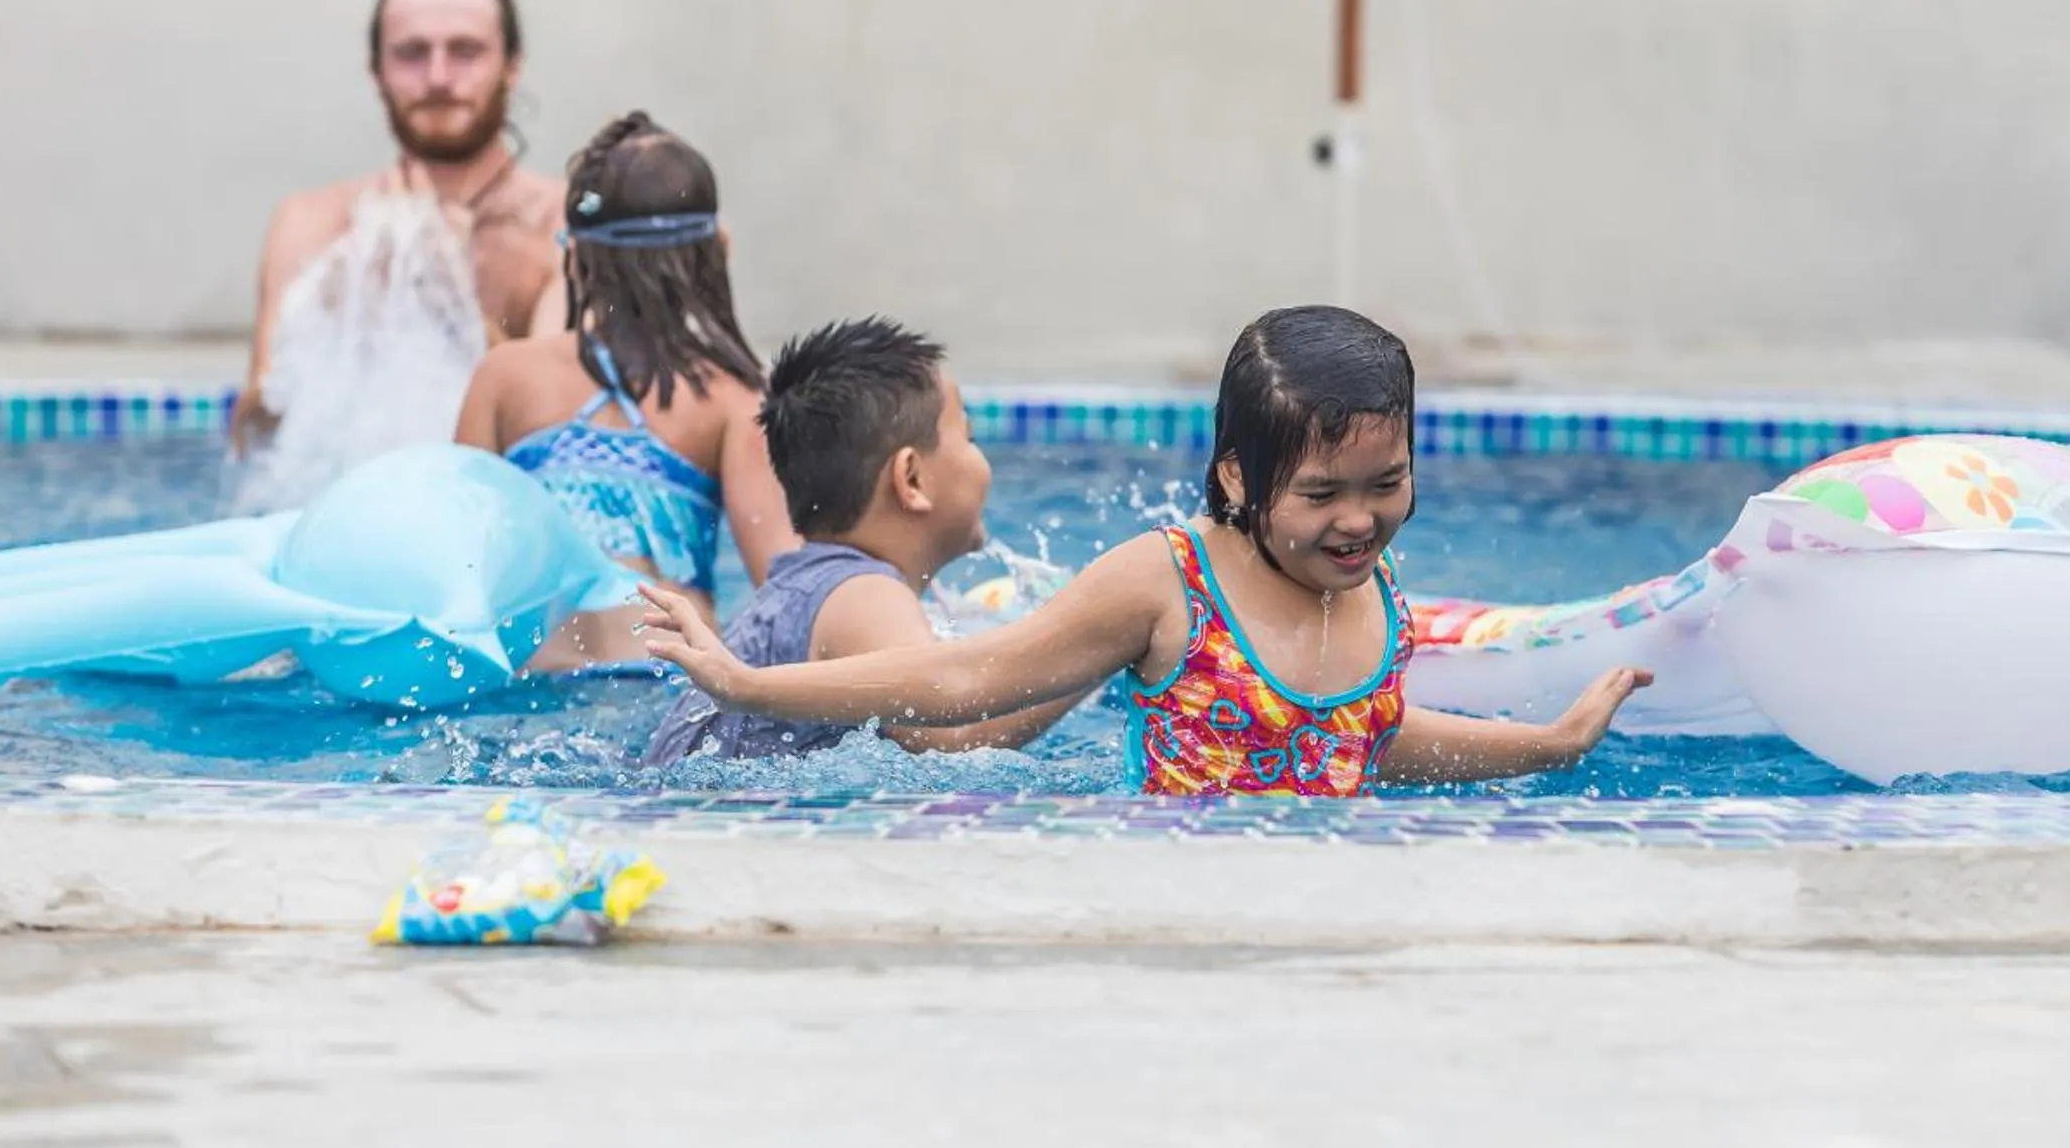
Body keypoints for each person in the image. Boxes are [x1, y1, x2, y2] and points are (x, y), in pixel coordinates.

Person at [640, 306, 1651, 794]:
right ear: (1235, 483)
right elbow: (960, 678)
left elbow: (1370, 736)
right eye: (1320, 493)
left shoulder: (1370, 583)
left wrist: (1547, 743)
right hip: (1175, 904)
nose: (1357, 518)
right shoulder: (1166, 579)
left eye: (1384, 485)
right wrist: (745, 686)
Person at [642, 317, 1090, 766]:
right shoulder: (865, 594)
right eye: (969, 438)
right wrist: (1100, 642)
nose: (981, 458)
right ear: (911, 478)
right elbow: (954, 733)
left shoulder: (815, 586)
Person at [229, 0, 565, 510]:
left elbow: (560, 437)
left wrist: (445, 288)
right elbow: (258, 439)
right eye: (412, 53)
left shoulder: (562, 227)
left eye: (465, 51)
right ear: (376, 72)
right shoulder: (311, 225)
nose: (438, 77)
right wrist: (345, 318)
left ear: (512, 67)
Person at [454, 111, 796, 669]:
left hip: (530, 684)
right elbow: (787, 589)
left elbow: (457, 566)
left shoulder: (503, 377)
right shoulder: (731, 397)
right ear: (717, 251)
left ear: (573, 255)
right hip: (672, 685)